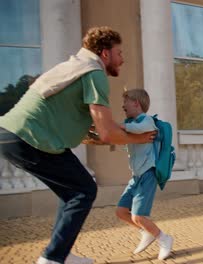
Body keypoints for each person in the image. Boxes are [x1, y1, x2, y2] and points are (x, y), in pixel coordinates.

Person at [0, 27, 156, 264]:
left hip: (11, 135)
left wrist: (118, 132)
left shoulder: (75, 66)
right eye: (119, 53)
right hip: (28, 138)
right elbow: (106, 133)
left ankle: (59, 253)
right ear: (105, 54)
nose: (122, 59)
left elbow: (92, 132)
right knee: (84, 190)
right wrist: (140, 139)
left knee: (71, 192)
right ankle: (52, 259)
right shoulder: (94, 73)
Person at [115, 89, 174, 260]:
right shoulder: (131, 123)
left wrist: (121, 126)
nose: (123, 105)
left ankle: (164, 238)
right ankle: (146, 232)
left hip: (148, 173)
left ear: (136, 103)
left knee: (138, 216)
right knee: (121, 211)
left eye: (126, 101)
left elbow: (141, 129)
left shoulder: (146, 121)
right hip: (136, 176)